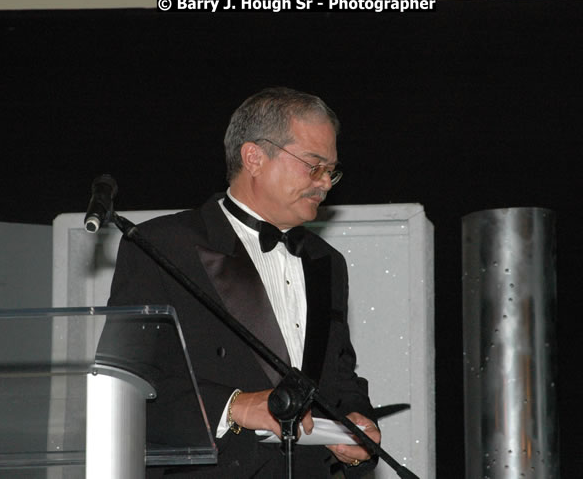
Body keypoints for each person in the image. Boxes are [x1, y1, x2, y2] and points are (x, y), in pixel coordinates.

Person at [108, 87, 381, 478]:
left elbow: (339, 377)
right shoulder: (163, 246)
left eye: (331, 170)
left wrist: (356, 421)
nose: (325, 183)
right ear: (254, 157)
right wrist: (234, 407)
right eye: (313, 165)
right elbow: (123, 388)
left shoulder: (327, 262)